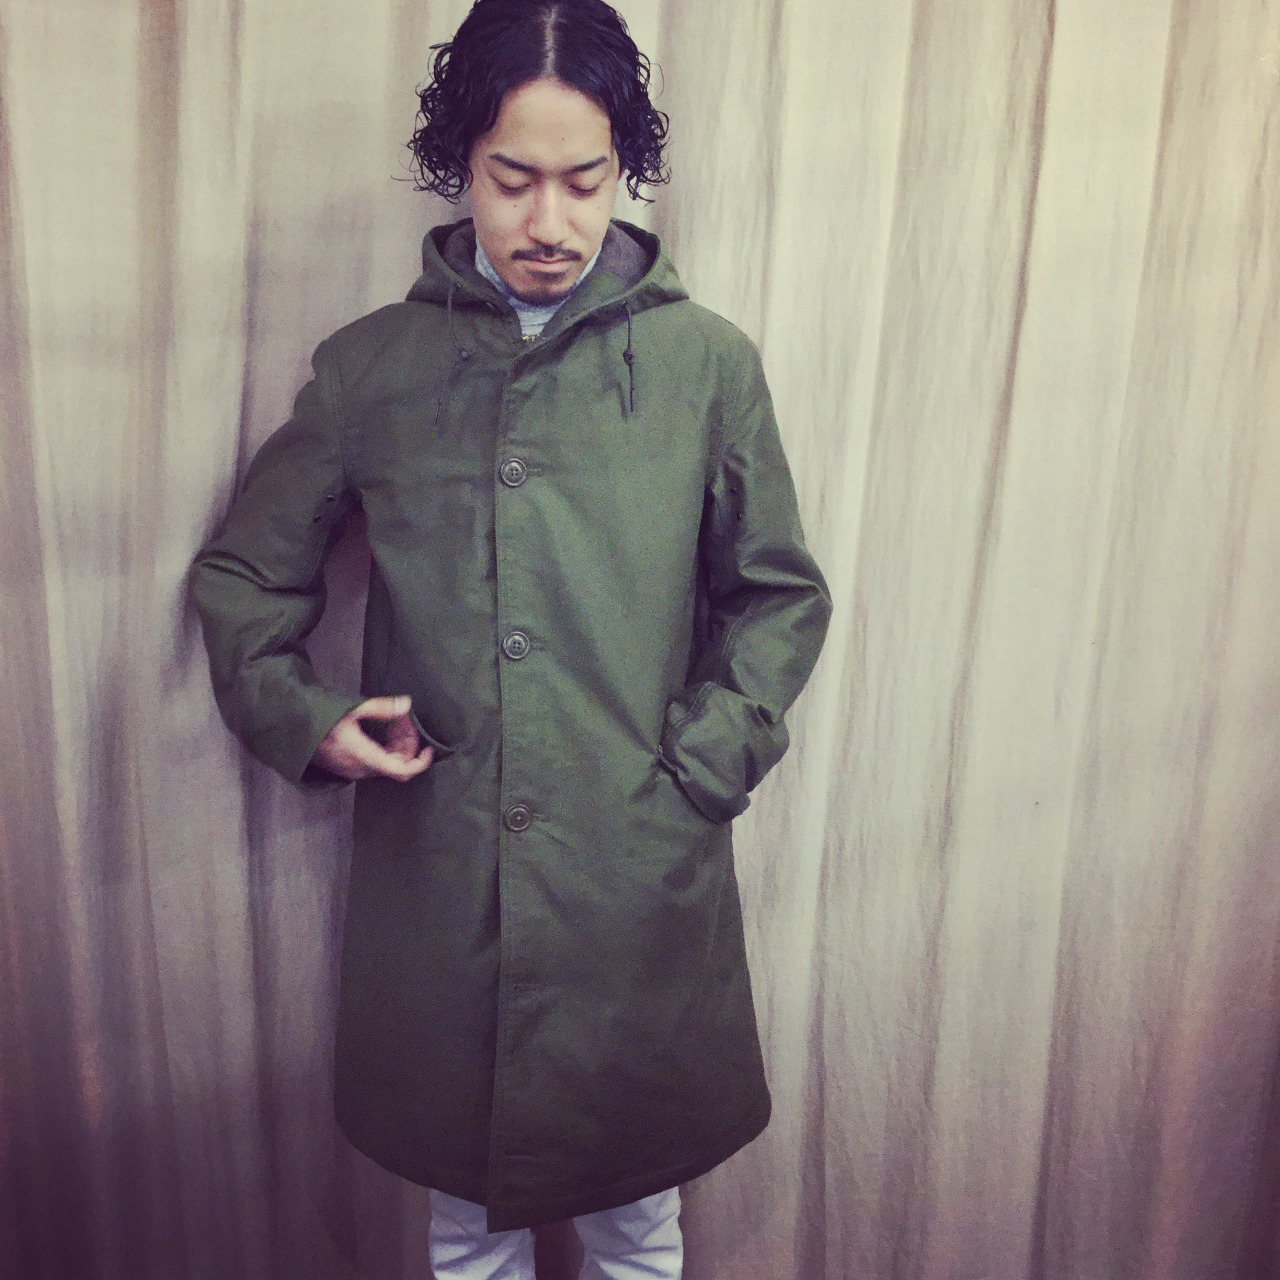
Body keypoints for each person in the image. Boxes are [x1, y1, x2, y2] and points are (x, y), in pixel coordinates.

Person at [191, 0, 831, 1275]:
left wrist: (702, 764)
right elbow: (244, 573)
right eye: (511, 178)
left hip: (635, 878)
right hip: (444, 878)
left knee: (638, 1225)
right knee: (466, 1224)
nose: (548, 222)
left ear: (624, 166)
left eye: (584, 180)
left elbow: (775, 593)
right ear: (460, 167)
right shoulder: (372, 370)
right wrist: (313, 720)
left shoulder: (706, 366)